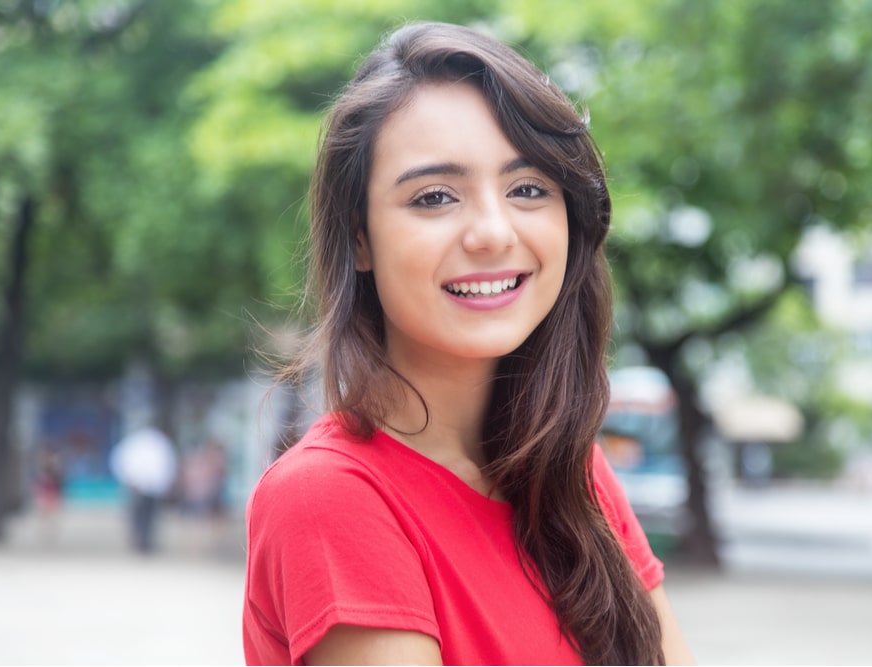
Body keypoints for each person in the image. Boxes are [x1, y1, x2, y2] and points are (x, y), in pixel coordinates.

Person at [243, 21, 695, 666]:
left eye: (529, 189)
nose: (491, 231)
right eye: (434, 197)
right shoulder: (332, 497)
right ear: (360, 239)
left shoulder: (574, 475)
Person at [109, 424, 178, 554]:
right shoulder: (153, 443)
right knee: (144, 516)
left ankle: (142, 542)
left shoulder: (143, 442)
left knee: (144, 516)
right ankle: (141, 542)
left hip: (146, 486)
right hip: (143, 486)